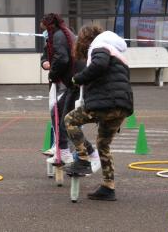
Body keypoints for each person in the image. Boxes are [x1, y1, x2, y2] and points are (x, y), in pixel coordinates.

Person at [64, 26, 133, 201]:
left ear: (85, 40)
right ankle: (108, 187)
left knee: (70, 120)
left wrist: (77, 79)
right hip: (122, 106)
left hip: (106, 103)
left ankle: (83, 158)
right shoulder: (117, 52)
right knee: (103, 144)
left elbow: (99, 65)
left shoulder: (99, 46)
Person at [39, 13, 76, 165]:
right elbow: (46, 57)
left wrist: (53, 74)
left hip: (66, 82)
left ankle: (70, 151)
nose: (44, 32)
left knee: (65, 117)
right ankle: (61, 148)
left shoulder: (60, 37)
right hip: (62, 82)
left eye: (45, 29)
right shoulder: (53, 39)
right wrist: (45, 63)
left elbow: (62, 59)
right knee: (57, 112)